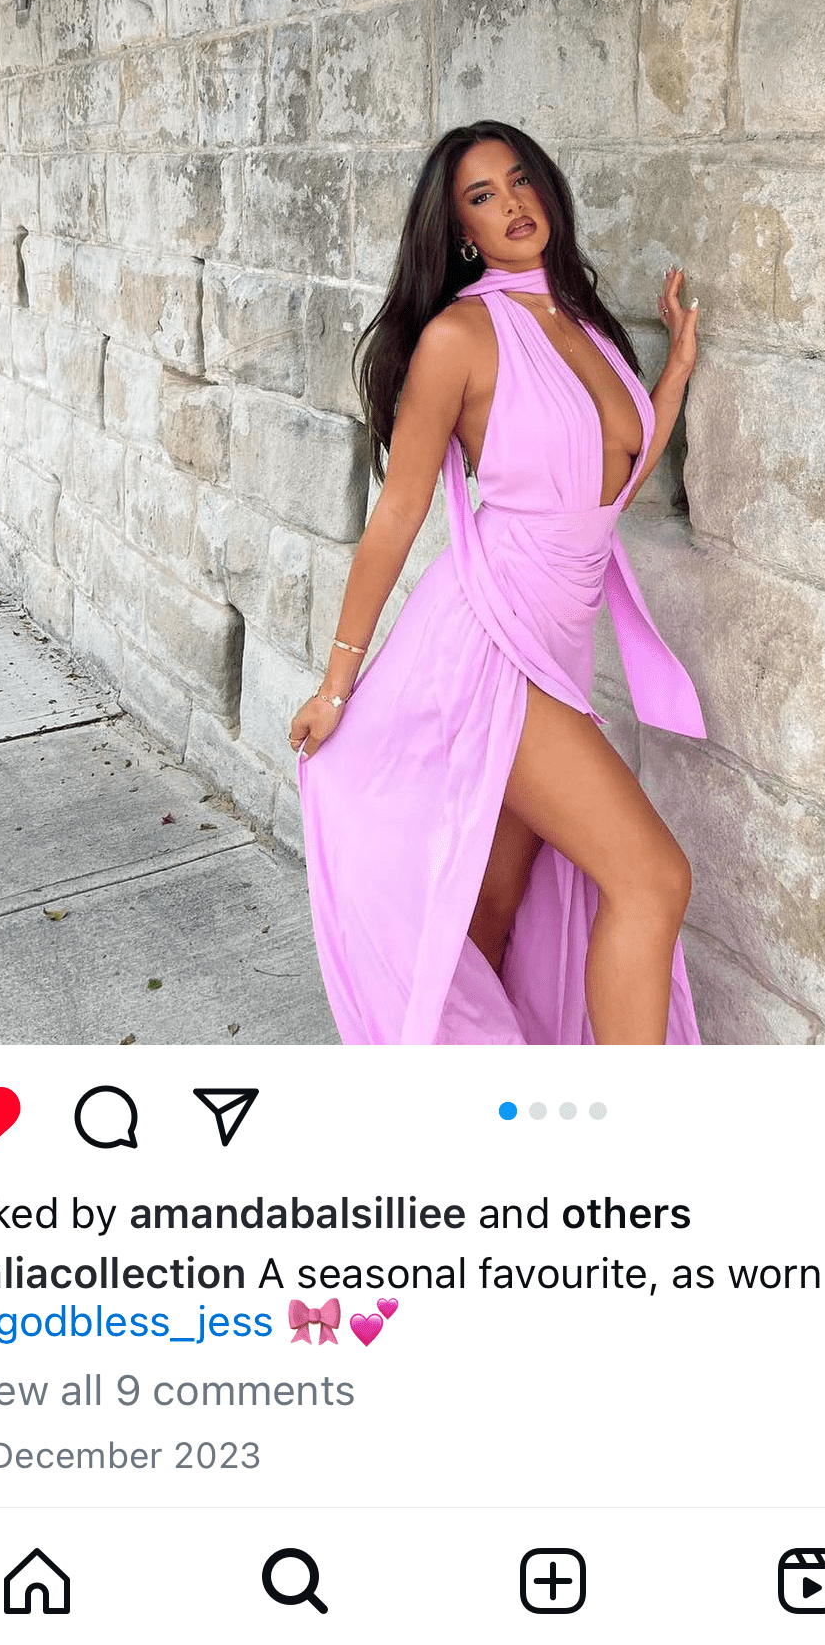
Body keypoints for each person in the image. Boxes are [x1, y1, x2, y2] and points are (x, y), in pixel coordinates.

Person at [289, 120, 706, 1046]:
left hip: (558, 641)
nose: (513, 204)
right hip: (489, 642)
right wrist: (337, 683)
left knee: (493, 906)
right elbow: (398, 513)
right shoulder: (459, 336)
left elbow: (611, 480)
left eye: (521, 181)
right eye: (483, 196)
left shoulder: (580, 319)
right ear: (461, 230)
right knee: (651, 878)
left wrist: (674, 372)